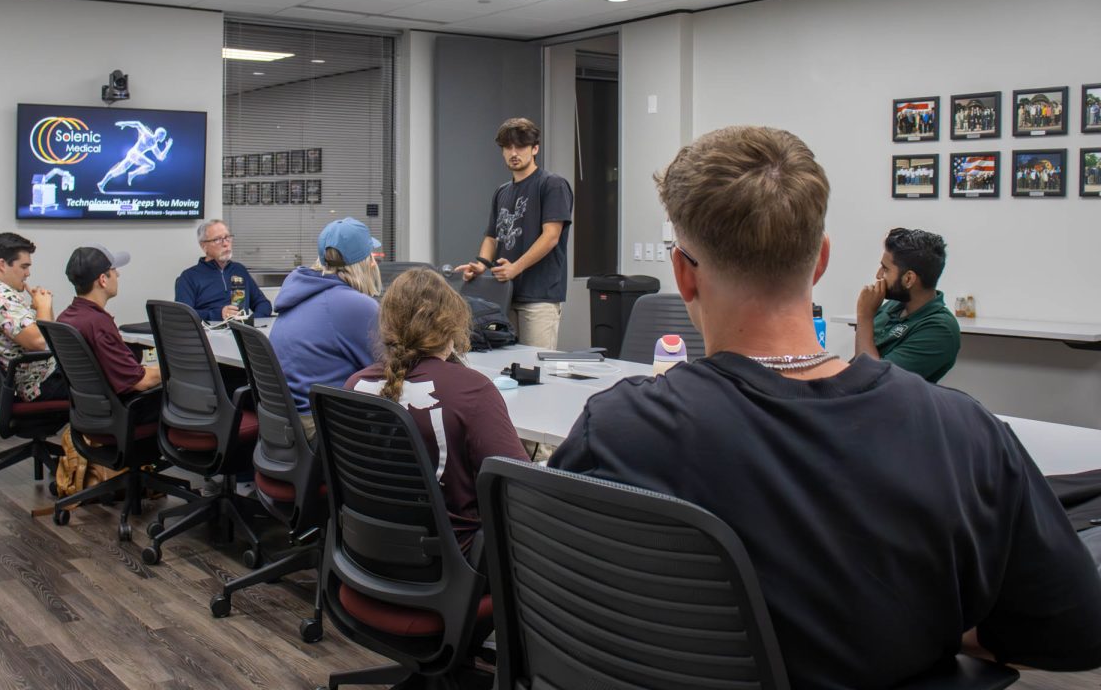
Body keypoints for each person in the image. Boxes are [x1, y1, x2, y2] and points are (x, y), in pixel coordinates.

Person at [549, 125, 1101, 689]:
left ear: (684, 275)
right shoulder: (964, 432)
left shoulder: (618, 430)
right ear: (821, 262)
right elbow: (1075, 630)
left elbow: (549, 593)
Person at [347, 268, 530, 554]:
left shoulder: (355, 385)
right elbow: (522, 489)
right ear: (452, 325)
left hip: (364, 549)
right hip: (450, 563)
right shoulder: (472, 390)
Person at [455, 118, 573, 349]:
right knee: (504, 363)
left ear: (535, 148)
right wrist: (481, 265)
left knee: (535, 369)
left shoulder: (553, 185)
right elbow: (492, 236)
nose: (513, 152)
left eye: (520, 147)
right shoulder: (502, 192)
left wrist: (515, 267)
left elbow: (551, 236)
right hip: (503, 297)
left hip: (539, 298)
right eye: (508, 147)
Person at [271, 217, 380, 442]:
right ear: (366, 262)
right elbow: (394, 369)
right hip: (319, 427)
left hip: (284, 423)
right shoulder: (355, 305)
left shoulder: (299, 289)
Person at [855, 227, 960, 383]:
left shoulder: (940, 328)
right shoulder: (893, 306)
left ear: (909, 279)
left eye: (885, 269)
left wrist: (864, 317)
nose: (879, 275)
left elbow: (873, 381)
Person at [0, 232, 66, 400]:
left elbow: (46, 336)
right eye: (24, 266)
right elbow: (39, 342)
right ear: (2, 264)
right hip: (41, 384)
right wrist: (43, 306)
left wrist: (43, 308)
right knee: (106, 379)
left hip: (45, 375)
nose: (28, 273)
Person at [58, 245, 161, 395]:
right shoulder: (98, 323)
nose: (118, 275)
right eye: (114, 271)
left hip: (91, 406)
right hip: (129, 408)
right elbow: (141, 382)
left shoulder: (67, 316)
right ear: (103, 280)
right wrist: (175, 368)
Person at [175, 219, 272, 322]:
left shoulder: (239, 270)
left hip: (241, 332)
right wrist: (218, 314)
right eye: (217, 239)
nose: (226, 244)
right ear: (204, 246)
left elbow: (263, 304)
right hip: (210, 333)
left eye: (227, 237)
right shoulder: (189, 277)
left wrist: (251, 321)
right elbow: (183, 315)